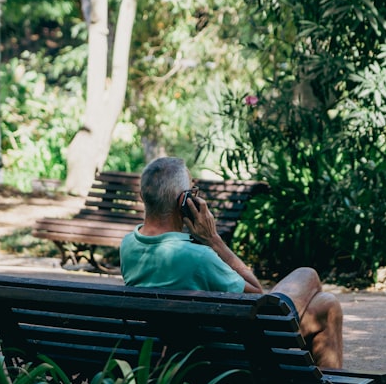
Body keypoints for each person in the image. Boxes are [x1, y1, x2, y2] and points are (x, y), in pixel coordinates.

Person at [119, 156, 344, 370]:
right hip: (228, 356)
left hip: (164, 350)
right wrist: (214, 240)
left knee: (327, 305)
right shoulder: (198, 257)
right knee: (308, 275)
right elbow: (257, 295)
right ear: (185, 202)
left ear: (142, 196)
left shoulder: (128, 245)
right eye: (193, 192)